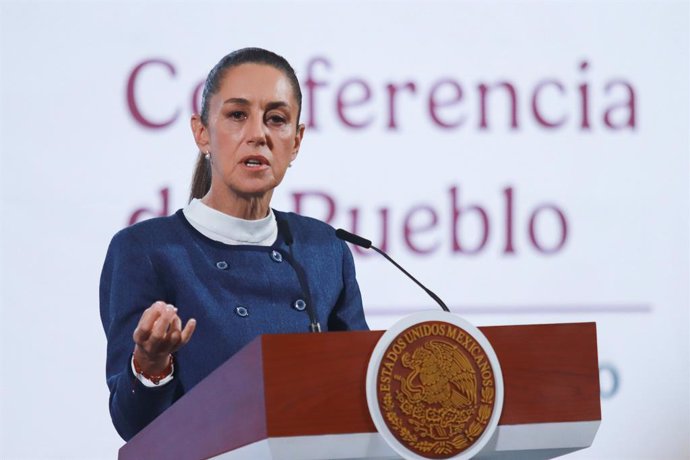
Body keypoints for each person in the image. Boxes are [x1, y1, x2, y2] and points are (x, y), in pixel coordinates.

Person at [99, 47, 369, 441]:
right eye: (237, 115)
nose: (258, 134)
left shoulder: (324, 249)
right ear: (202, 132)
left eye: (276, 119)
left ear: (296, 141)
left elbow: (362, 390)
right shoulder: (147, 251)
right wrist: (150, 364)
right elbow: (134, 427)